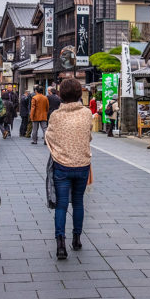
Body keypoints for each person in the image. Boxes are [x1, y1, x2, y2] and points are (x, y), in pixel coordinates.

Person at [46, 78, 93, 260]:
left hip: (61, 165)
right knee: (79, 202)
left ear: (61, 94)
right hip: (82, 164)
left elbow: (48, 137)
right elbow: (88, 135)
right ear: (79, 94)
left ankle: (60, 244)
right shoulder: (86, 113)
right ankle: (77, 239)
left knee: (62, 204)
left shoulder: (56, 116)